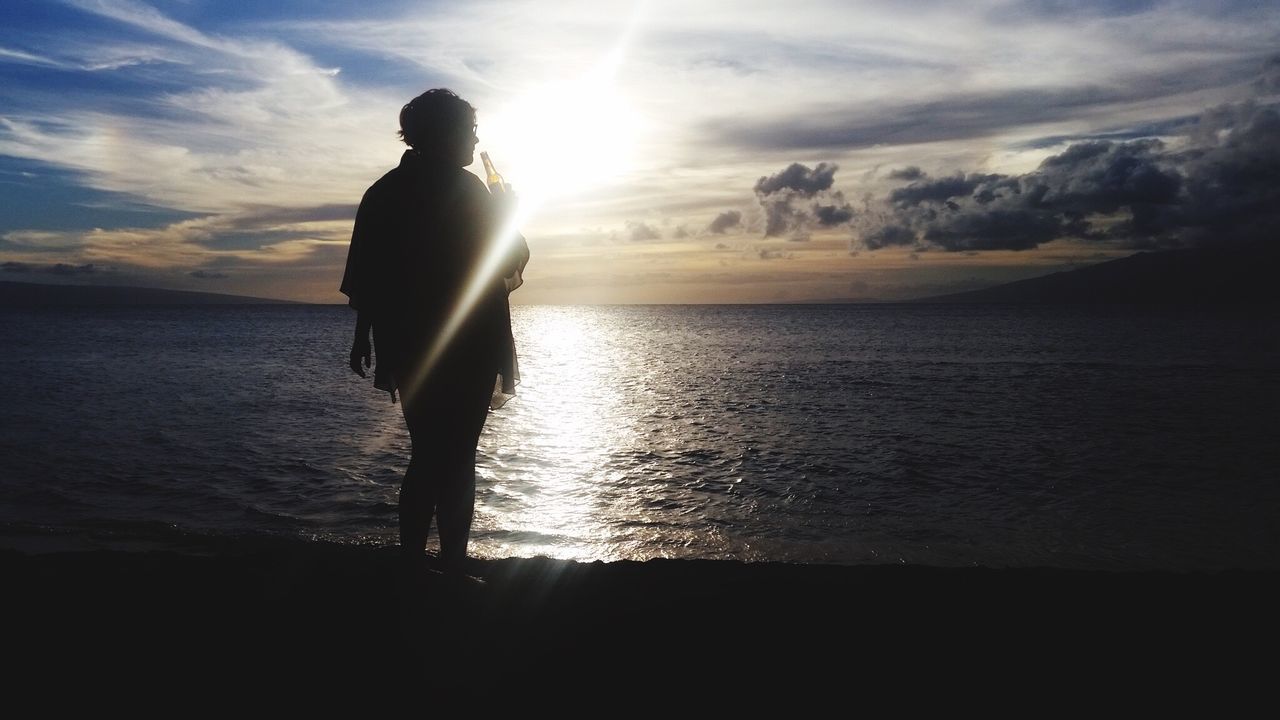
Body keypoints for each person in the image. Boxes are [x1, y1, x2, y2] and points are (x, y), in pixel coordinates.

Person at [340, 88, 529, 579]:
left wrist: (364, 336)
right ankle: (451, 565)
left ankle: (411, 564)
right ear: (444, 133)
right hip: (469, 338)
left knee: (427, 451)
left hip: (408, 340)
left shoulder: (385, 192)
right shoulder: (470, 193)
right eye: (468, 129)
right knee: (458, 454)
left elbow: (369, 278)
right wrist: (508, 215)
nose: (475, 138)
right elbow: (506, 261)